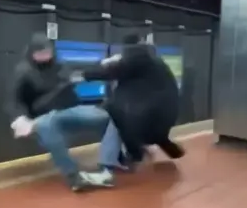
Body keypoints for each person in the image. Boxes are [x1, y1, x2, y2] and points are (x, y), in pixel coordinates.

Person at [8, 33, 117, 192]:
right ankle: (73, 176)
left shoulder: (59, 66)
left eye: (48, 52)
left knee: (110, 118)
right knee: (47, 127)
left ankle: (115, 160)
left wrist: (103, 64)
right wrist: (19, 118)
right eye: (41, 53)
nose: (46, 56)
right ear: (32, 53)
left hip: (71, 110)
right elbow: (14, 100)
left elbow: (79, 74)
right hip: (44, 116)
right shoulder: (23, 71)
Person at [78, 34, 185, 171]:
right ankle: (163, 145)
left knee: (117, 115)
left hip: (149, 115)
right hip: (164, 112)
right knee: (153, 132)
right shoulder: (155, 61)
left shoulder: (137, 59)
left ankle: (135, 155)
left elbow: (110, 72)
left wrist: (86, 73)